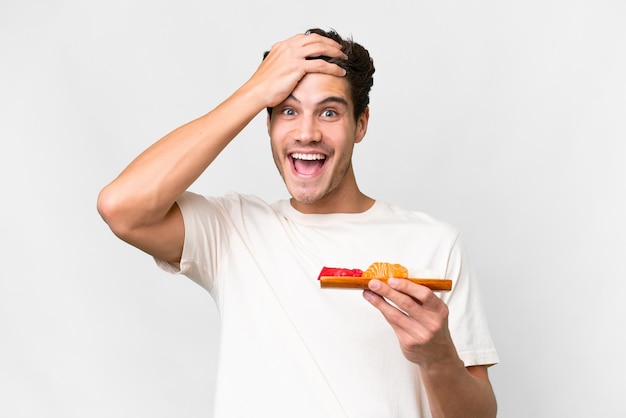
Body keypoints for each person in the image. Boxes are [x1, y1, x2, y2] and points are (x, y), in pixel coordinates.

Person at [97, 28, 498, 418]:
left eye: (329, 112)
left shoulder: (434, 244)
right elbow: (121, 206)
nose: (307, 133)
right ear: (267, 124)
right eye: (287, 110)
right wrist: (255, 91)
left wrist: (438, 359)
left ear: (361, 124)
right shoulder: (232, 231)